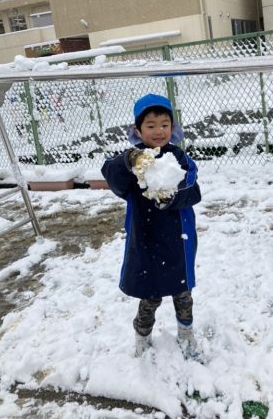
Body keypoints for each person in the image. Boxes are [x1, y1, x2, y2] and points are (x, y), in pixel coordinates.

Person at [101, 93, 201, 357]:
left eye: (165, 124)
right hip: (146, 238)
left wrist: (171, 197)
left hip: (178, 238)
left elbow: (194, 190)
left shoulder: (179, 158)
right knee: (150, 295)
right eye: (151, 125)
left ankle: (186, 332)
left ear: (173, 127)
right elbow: (112, 176)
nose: (159, 131)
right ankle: (142, 338)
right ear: (138, 130)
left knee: (183, 293)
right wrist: (128, 160)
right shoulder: (133, 160)